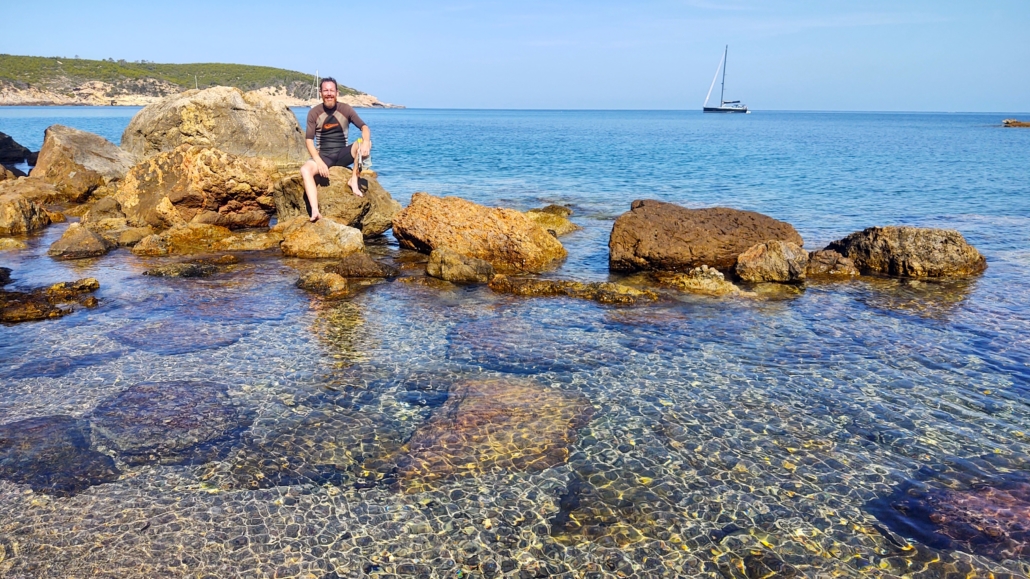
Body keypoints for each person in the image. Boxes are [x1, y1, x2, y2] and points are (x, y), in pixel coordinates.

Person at [300, 77, 372, 222]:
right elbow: (309, 141)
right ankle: (315, 210)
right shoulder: (314, 112)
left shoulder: (345, 109)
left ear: (337, 92)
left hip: (343, 154)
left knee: (365, 143)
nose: (329, 93)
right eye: (325, 90)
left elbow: (364, 127)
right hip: (324, 156)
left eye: (331, 90)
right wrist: (319, 162)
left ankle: (354, 180)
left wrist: (365, 142)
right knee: (305, 170)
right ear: (320, 93)